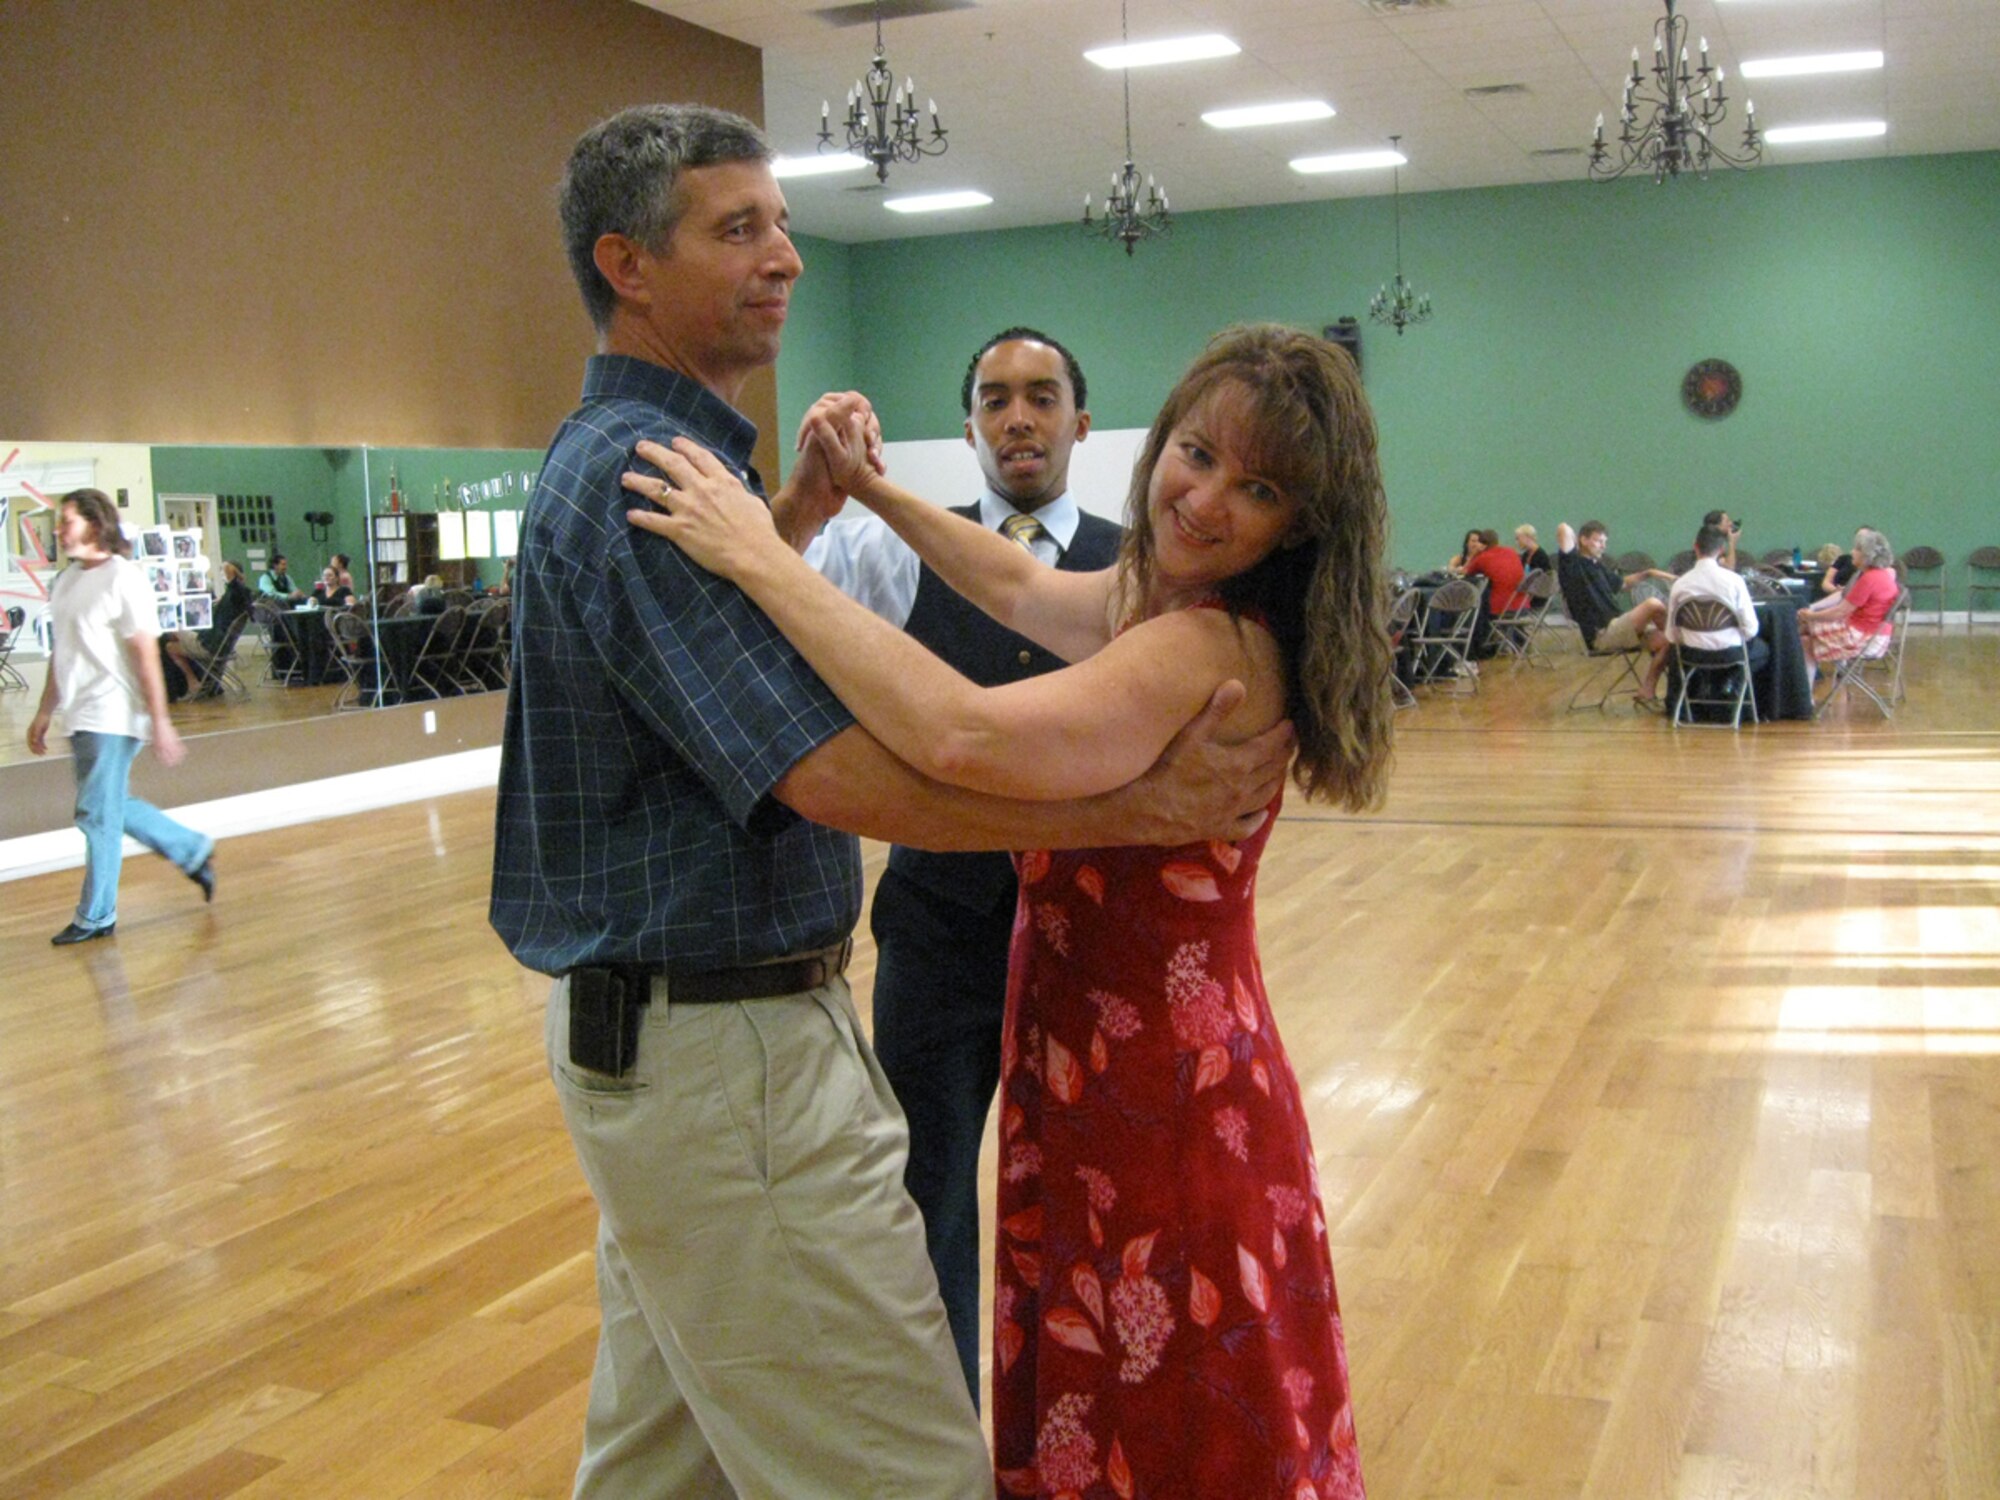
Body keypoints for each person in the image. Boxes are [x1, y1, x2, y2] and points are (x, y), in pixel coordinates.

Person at [488, 103, 1289, 1500]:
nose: (785, 257)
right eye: (739, 230)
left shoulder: (671, 473)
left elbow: (699, 687)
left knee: (660, 1468)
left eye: (784, 223)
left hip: (693, 1041)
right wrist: (1143, 810)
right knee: (905, 1472)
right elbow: (852, 765)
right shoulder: (645, 475)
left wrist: (796, 518)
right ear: (626, 263)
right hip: (718, 1059)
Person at [625, 321, 1390, 1500]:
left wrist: (760, 556)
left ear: (1303, 521)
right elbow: (1017, 581)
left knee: (1160, 1389)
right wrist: (870, 490)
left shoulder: (1202, 644)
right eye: (1194, 455)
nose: (1203, 500)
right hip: (1107, 1057)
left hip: (1158, 1090)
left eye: (1259, 487)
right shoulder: (1166, 599)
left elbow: (959, 734)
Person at [802, 324, 1119, 1402]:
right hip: (937, 933)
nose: (1017, 418)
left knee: (1085, 1196)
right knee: (924, 1185)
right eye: (994, 399)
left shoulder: (1135, 571)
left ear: (1079, 420)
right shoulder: (893, 554)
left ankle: (1069, 1433)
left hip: (1090, 938)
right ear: (970, 424)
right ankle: (939, 1437)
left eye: (1040, 396)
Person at [28, 489, 215, 945]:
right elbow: (63, 653)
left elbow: (147, 656)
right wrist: (44, 711)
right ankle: (191, 849)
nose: (58, 530)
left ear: (94, 524)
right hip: (81, 714)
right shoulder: (67, 581)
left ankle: (96, 916)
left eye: (66, 521)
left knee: (96, 815)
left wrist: (161, 720)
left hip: (114, 713)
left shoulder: (123, 578)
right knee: (111, 805)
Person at [1556, 520, 1677, 705]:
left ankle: (1648, 688)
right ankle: (1682, 631)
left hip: (1619, 627)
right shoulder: (1572, 565)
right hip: (1602, 633)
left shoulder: (1597, 565)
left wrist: (1650, 573)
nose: (1603, 546)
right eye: (1598, 541)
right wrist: (1577, 544)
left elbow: (1623, 584)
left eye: (1605, 541)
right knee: (1653, 605)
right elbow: (1563, 528)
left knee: (1670, 642)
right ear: (1583, 540)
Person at [1664, 523, 1768, 698]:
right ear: (1721, 550)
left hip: (1692, 653)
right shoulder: (1734, 581)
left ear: (1695, 547)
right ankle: (1732, 681)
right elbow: (1751, 629)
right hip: (1730, 653)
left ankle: (1702, 687)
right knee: (1762, 650)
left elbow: (1670, 634)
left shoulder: (1680, 584)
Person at [1801, 528, 1899, 688]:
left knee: (1804, 638)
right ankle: (1804, 694)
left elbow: (1839, 611)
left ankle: (1804, 694)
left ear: (1866, 555)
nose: (1852, 552)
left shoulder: (1870, 579)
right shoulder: (1880, 576)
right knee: (1804, 635)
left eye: (1856, 549)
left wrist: (1810, 616)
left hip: (1864, 639)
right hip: (1873, 635)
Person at [163, 559, 255, 697]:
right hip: (216, 644)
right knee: (170, 646)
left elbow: (233, 581)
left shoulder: (235, 594)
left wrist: (231, 574)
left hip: (208, 645)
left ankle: (191, 684)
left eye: (223, 570)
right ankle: (194, 682)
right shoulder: (238, 597)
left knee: (171, 626)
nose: (222, 573)